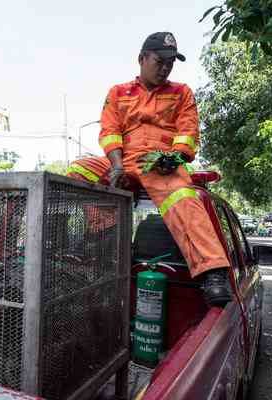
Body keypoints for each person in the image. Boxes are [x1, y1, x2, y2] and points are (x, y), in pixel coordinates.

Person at [67, 32, 232, 307]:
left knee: (182, 197)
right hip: (123, 160)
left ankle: (212, 272)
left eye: (171, 63)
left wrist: (175, 158)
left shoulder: (181, 92)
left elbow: (188, 132)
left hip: (159, 163)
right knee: (79, 171)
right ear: (142, 59)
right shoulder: (118, 92)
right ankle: (107, 241)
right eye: (160, 61)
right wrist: (117, 167)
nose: (166, 67)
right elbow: (110, 132)